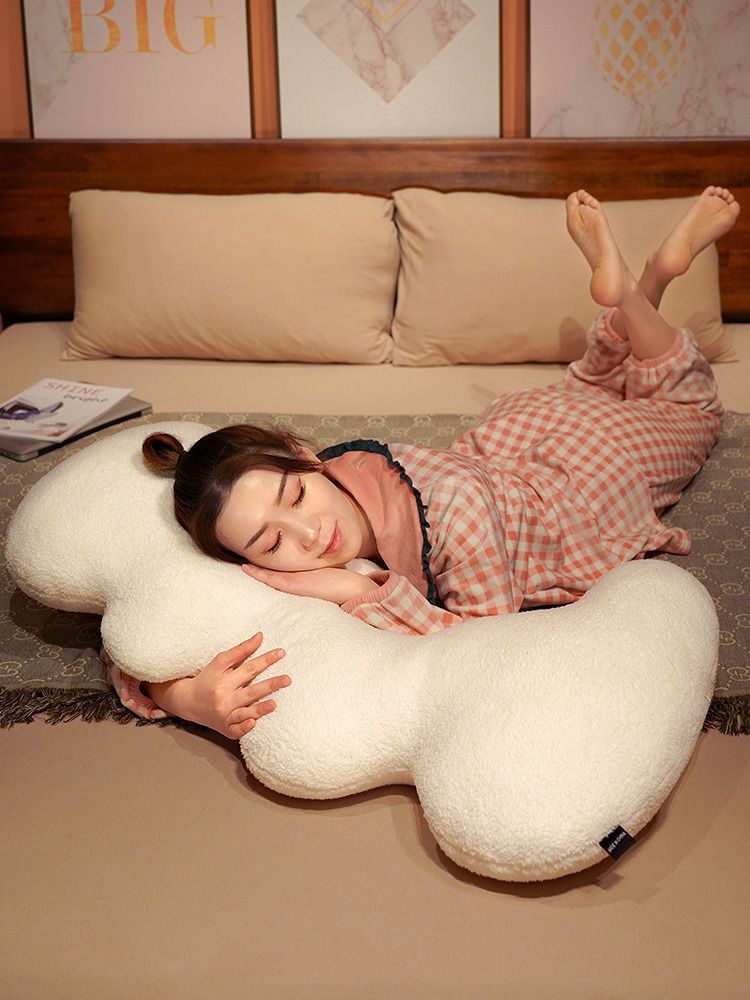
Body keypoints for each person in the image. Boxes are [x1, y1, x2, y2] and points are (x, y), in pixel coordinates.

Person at [110, 186, 740, 741]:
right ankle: (647, 282)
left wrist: (358, 590)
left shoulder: (454, 521)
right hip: (517, 434)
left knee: (690, 410)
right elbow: (148, 621)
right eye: (273, 543)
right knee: (594, 380)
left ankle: (643, 282)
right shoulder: (313, 494)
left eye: (296, 499)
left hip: (586, 473)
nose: (310, 535)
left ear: (306, 457)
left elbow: (484, 648)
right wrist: (185, 697)